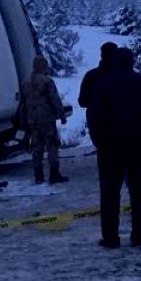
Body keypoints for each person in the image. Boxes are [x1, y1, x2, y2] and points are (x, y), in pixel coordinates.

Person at [87, 48, 141, 249]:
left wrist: (98, 140)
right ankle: (139, 235)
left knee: (110, 193)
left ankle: (111, 237)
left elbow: (93, 115)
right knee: (140, 192)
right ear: (132, 62)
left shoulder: (103, 85)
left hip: (110, 147)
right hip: (140, 145)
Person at [19, 54, 69, 185]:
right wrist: (62, 115)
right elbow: (55, 100)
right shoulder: (47, 81)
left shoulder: (25, 83)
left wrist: (23, 122)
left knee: (36, 147)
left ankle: (38, 175)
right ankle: (54, 174)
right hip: (47, 119)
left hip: (32, 122)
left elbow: (22, 106)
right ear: (43, 66)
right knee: (52, 145)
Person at [77, 42, 119, 110]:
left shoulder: (91, 75)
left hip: (96, 117)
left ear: (101, 55)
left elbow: (82, 101)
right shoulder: (124, 78)